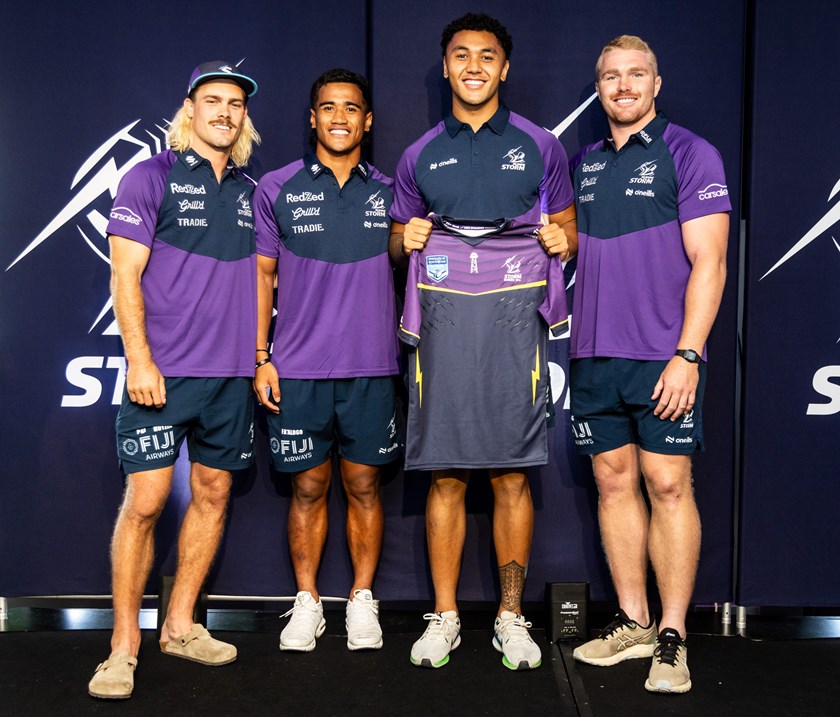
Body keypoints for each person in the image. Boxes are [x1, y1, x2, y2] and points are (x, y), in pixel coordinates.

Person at [389, 13, 577, 671]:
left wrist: (562, 240)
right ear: (446, 68)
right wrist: (404, 239)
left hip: (512, 331)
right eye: (461, 55)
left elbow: (567, 227)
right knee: (445, 473)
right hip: (443, 331)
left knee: (509, 473)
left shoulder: (540, 146)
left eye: (487, 56)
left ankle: (509, 615)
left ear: (504, 68)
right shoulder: (418, 154)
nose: (473, 66)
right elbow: (397, 236)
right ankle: (444, 616)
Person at [87, 61, 261, 700]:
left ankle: (181, 626)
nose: (224, 111)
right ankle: (122, 646)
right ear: (188, 110)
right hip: (162, 375)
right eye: (212, 100)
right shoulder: (148, 176)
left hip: (231, 377)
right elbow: (124, 276)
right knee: (149, 502)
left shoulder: (252, 191)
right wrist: (139, 360)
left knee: (212, 494)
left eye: (235, 103)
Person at [561, 36, 730, 694]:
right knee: (612, 482)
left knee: (667, 484)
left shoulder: (690, 152)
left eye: (636, 75)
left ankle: (673, 634)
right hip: (594, 355)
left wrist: (687, 353)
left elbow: (711, 262)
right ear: (598, 87)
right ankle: (633, 621)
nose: (623, 85)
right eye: (611, 76)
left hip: (663, 354)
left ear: (656, 84)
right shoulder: (583, 163)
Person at [253, 69, 401, 653]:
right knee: (309, 489)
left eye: (351, 109)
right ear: (312, 118)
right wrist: (260, 356)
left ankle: (362, 601)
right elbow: (262, 276)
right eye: (328, 108)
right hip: (298, 368)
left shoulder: (392, 191)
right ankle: (308, 602)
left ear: (367, 121)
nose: (340, 118)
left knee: (364, 486)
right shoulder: (277, 187)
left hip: (371, 367)